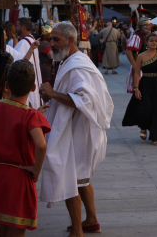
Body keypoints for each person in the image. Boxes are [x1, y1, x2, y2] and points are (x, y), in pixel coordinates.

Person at [39, 22, 113, 236]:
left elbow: (85, 100)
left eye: (56, 40)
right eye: (50, 39)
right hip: (74, 129)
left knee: (70, 178)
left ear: (71, 41)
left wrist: (53, 94)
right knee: (81, 179)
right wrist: (52, 97)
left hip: (79, 131)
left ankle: (78, 230)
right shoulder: (67, 60)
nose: (51, 43)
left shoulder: (78, 65)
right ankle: (91, 220)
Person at [0, 60, 50, 236]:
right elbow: (41, 144)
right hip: (19, 179)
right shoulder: (31, 116)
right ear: (33, 88)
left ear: (6, 85)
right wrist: (36, 169)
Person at [122, 33, 157, 145]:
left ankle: (155, 135)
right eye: (152, 41)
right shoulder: (141, 56)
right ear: (147, 43)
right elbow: (137, 73)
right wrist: (136, 88)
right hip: (145, 84)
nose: (154, 42)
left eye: (156, 41)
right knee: (146, 109)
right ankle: (143, 126)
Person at [14, 17, 43, 109]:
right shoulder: (31, 39)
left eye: (17, 26)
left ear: (23, 27)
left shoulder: (23, 42)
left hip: (27, 82)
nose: (16, 28)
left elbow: (17, 65)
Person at [125, 17, 152, 93]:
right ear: (141, 26)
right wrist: (134, 65)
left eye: (150, 25)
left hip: (150, 66)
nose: (150, 27)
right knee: (140, 90)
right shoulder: (136, 36)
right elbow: (128, 51)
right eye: (147, 25)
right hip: (140, 67)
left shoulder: (151, 35)